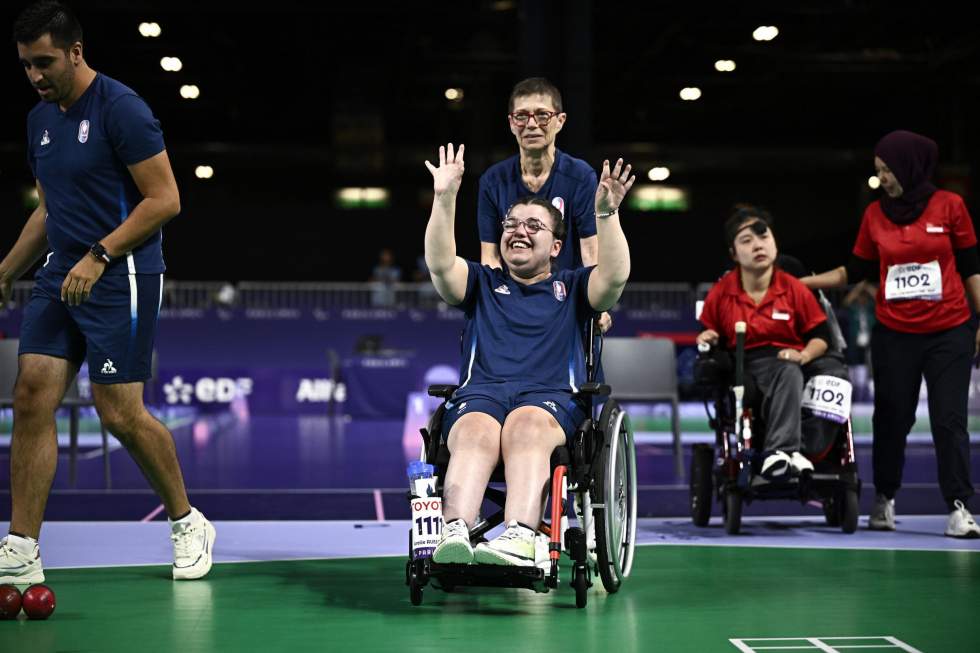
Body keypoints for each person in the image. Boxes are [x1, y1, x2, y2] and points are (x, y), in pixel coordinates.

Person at [0, 1, 215, 584]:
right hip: (60, 272)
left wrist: (101, 255)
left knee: (118, 412)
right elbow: (48, 210)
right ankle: (21, 544)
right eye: (25, 66)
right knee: (31, 394)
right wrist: (5, 271)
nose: (35, 76)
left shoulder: (122, 109)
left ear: (75, 52)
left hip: (122, 276)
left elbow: (166, 199)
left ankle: (187, 521)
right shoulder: (38, 121)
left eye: (44, 62)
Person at [423, 142, 633, 566]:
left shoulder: (574, 287)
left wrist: (606, 215)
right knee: (474, 429)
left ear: (556, 247)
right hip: (482, 394)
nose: (519, 230)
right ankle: (453, 534)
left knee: (526, 424)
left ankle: (521, 535)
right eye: (511, 223)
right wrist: (444, 199)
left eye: (534, 225)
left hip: (548, 400)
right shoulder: (481, 283)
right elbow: (442, 266)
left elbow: (613, 278)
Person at [802, 130, 980, 538]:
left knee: (949, 419)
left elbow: (971, 268)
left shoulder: (950, 206)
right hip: (895, 334)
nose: (882, 178)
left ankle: (958, 507)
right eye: (878, 171)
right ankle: (885, 499)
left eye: (887, 171)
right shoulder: (875, 216)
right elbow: (855, 271)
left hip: (948, 331)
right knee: (892, 418)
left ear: (909, 167)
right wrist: (803, 283)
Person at [697, 206, 842, 479]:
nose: (758, 246)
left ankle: (794, 452)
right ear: (733, 253)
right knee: (786, 371)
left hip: (791, 359)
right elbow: (707, 331)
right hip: (745, 365)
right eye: (746, 240)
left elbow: (821, 337)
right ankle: (783, 452)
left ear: (774, 242)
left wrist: (804, 356)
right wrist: (707, 336)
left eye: (763, 237)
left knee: (811, 373)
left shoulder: (794, 288)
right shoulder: (723, 291)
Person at [478, 77, 613, 333]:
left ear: (560, 121)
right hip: (513, 301)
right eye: (521, 116)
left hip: (566, 301)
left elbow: (590, 251)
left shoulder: (581, 175)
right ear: (511, 123)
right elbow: (491, 256)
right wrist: (497, 302)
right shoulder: (492, 181)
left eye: (542, 115)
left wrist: (597, 304)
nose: (531, 125)